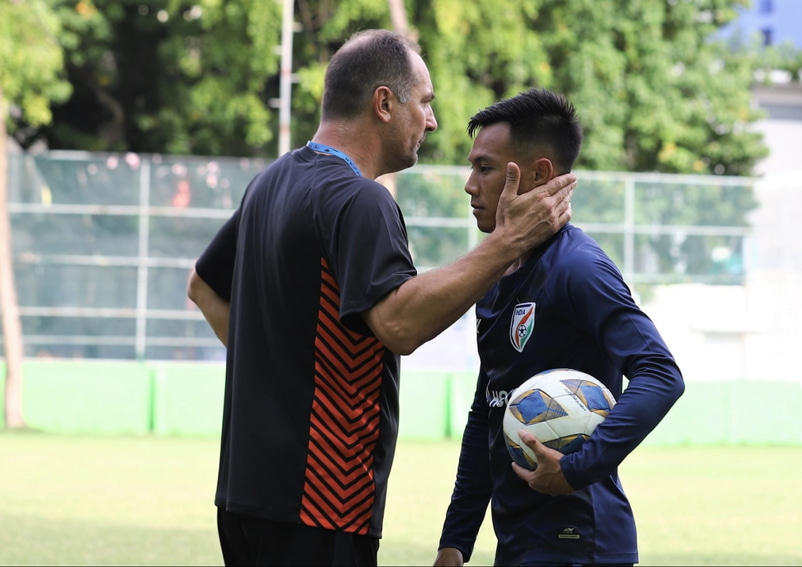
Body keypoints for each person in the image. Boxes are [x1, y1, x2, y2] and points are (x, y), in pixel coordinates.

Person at [186, 31, 577, 566]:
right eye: (425, 102)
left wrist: (283, 371)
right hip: (321, 503)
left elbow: (203, 286)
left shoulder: (270, 182)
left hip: (242, 498)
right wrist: (508, 242)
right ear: (384, 103)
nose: (431, 121)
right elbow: (399, 324)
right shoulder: (359, 198)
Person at [434, 89, 685, 567]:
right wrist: (456, 539)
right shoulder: (495, 276)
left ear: (538, 174)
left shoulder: (578, 268)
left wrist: (576, 469)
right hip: (519, 543)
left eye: (485, 168)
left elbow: (661, 374)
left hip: (579, 543)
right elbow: (488, 410)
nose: (469, 185)